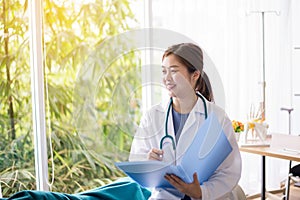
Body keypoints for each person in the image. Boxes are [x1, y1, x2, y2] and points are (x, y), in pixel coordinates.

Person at [129, 43, 241, 200]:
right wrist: (148, 164)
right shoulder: (153, 116)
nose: (166, 78)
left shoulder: (217, 117)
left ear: (195, 75)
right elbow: (136, 160)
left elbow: (230, 171)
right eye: (164, 71)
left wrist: (201, 192)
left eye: (173, 71)